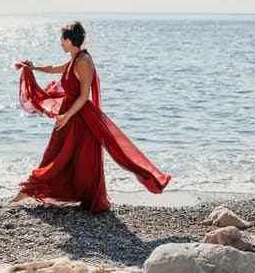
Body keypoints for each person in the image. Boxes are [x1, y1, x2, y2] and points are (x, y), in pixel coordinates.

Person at [9, 21, 171, 214]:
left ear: (69, 40)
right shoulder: (75, 58)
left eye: (62, 39)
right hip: (69, 115)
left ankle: (30, 191)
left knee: (76, 159)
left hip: (80, 118)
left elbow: (84, 96)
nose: (60, 42)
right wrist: (34, 69)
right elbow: (55, 68)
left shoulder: (84, 62)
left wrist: (67, 117)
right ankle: (29, 190)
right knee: (55, 154)